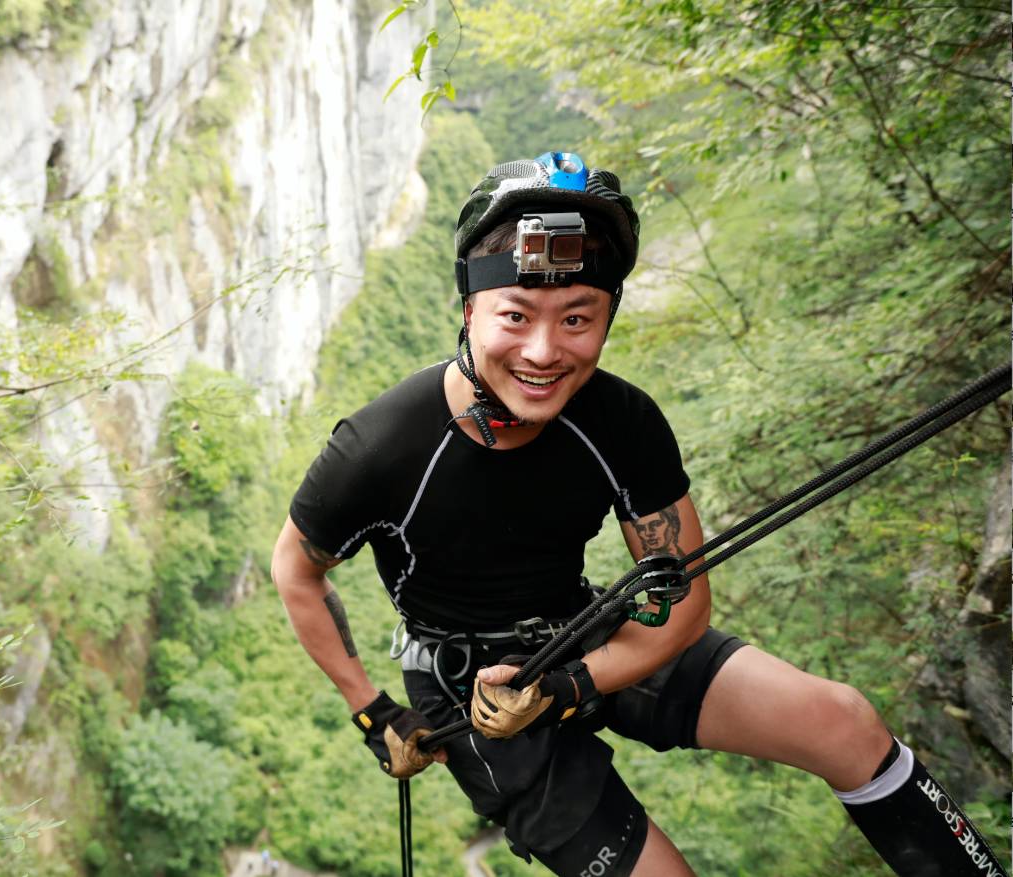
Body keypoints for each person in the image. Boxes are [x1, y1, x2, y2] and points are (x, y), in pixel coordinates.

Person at [269, 151, 1007, 876]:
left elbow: (681, 606)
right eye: (515, 315)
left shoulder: (619, 421)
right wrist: (375, 713)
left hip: (584, 630)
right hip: (473, 693)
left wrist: (568, 686)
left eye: (576, 318)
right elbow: (296, 568)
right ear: (468, 309)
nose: (542, 351)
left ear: (606, 317)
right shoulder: (381, 446)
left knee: (842, 722)